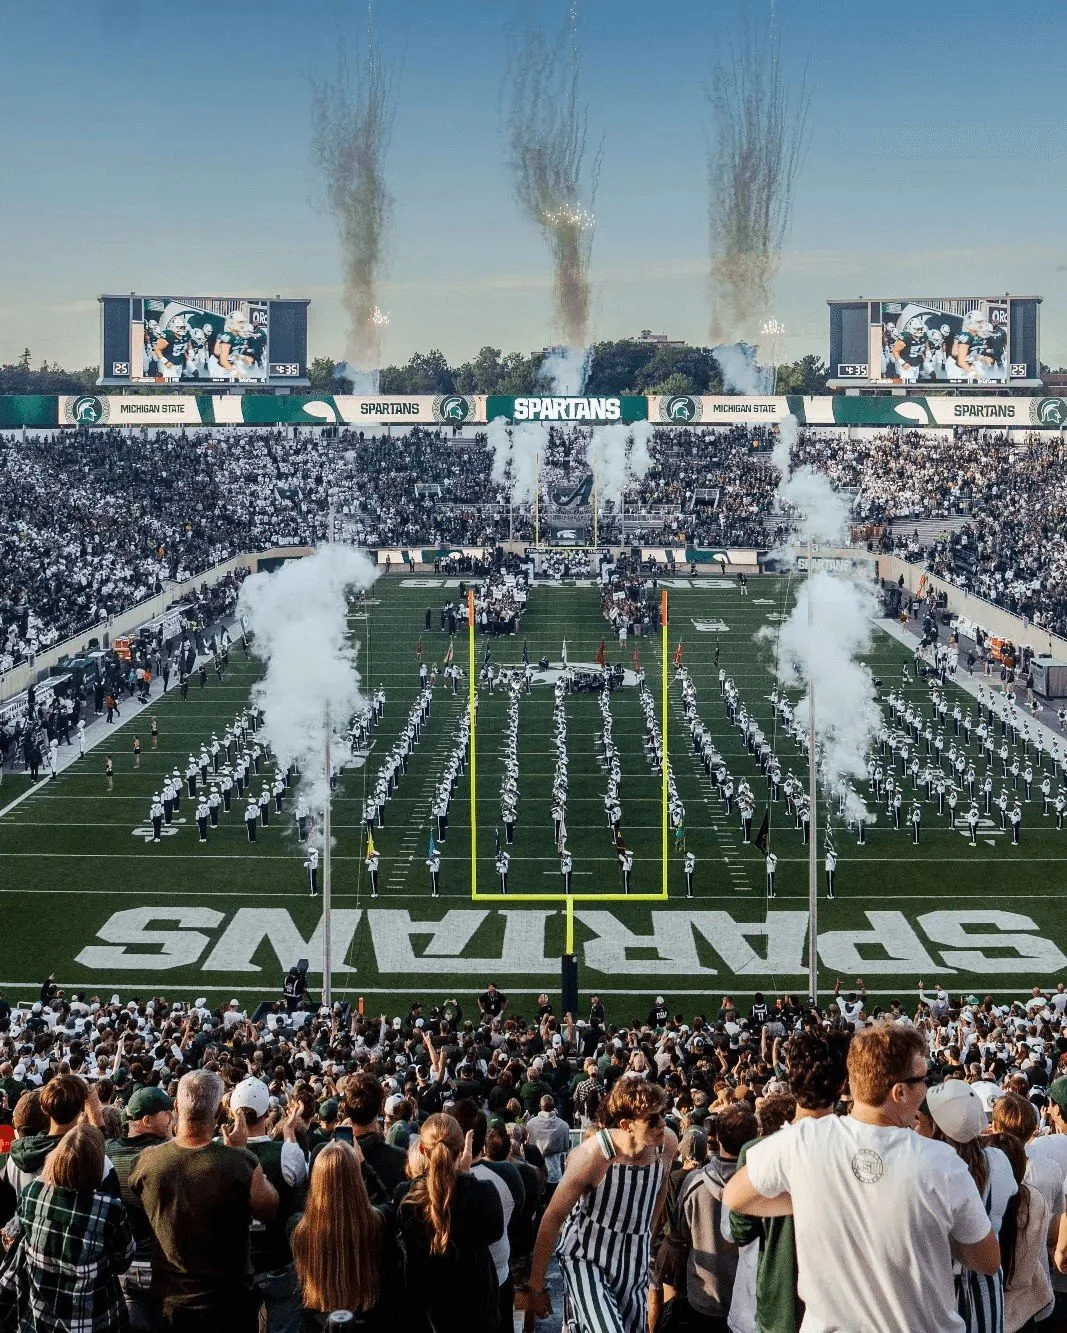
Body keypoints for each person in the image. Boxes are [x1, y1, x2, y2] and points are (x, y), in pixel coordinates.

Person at [723, 1022, 1000, 1333]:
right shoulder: (941, 1162)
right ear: (900, 1092)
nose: (926, 1087)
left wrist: (819, 1198)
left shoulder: (805, 1141)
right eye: (923, 1079)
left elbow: (736, 1195)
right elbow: (987, 1259)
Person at [129, 1069, 279, 1332]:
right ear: (220, 1111)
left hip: (170, 1303)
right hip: (229, 1305)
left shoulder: (147, 1161)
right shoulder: (240, 1162)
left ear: (176, 1106)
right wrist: (242, 1153)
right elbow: (269, 1208)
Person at [526, 1078, 678, 1333]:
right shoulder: (593, 1155)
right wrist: (536, 1286)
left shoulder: (667, 1143)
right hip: (587, 1256)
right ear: (626, 1125)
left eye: (662, 1114)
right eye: (653, 1119)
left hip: (633, 1256)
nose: (662, 1124)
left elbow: (660, 1185)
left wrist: (647, 1234)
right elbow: (553, 1217)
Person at [0, 1125, 134, 1329]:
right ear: (97, 1167)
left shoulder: (33, 1192)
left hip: (39, 1316)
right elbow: (123, 1260)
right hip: (92, 1319)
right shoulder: (109, 1209)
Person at [396, 1113, 504, 1333]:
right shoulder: (483, 1193)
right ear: (461, 1148)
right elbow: (494, 1233)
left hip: (428, 1309)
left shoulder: (407, 1196)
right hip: (476, 1310)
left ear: (423, 1150)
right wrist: (465, 1177)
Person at [925, 1080, 1017, 1332]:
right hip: (986, 1286)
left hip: (940, 1287)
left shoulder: (932, 1167)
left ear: (936, 1127)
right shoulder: (999, 1161)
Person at [290, 1138, 400, 1331]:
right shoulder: (379, 1221)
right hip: (373, 1319)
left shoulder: (298, 1227)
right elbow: (389, 1203)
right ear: (357, 1179)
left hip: (317, 1320)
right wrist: (364, 1165)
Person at [229, 1077, 308, 1333]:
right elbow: (300, 1178)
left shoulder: (219, 1151)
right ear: (266, 1114)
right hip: (278, 1259)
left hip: (236, 1264)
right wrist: (288, 1132)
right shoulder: (285, 1152)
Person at [672, 1101, 757, 1330]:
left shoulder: (694, 1182)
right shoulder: (761, 1187)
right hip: (748, 1298)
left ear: (717, 1139)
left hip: (704, 1292)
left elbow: (680, 1233)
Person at [107, 1085, 175, 1331]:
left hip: (124, 1263)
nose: (173, 1117)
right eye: (167, 1113)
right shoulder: (166, 1154)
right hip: (160, 1264)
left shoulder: (107, 1151)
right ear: (146, 1120)